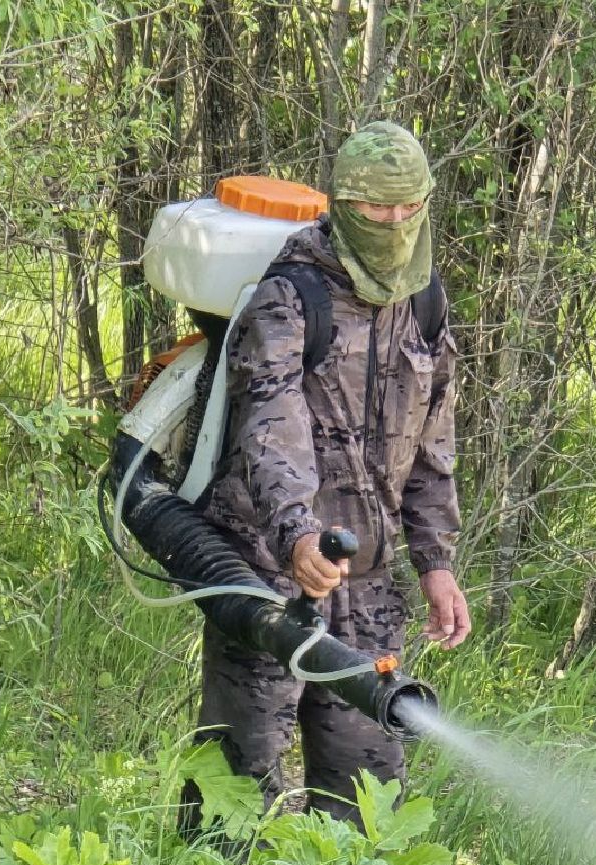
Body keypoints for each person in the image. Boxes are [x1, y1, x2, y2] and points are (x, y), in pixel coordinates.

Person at [197, 121, 470, 824]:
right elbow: (269, 424)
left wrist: (436, 561)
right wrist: (297, 533)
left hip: (368, 582)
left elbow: (433, 440)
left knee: (369, 793)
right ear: (345, 205)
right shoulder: (291, 297)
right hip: (268, 571)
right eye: (380, 208)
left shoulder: (426, 302)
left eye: (411, 207)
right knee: (236, 776)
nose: (397, 222)